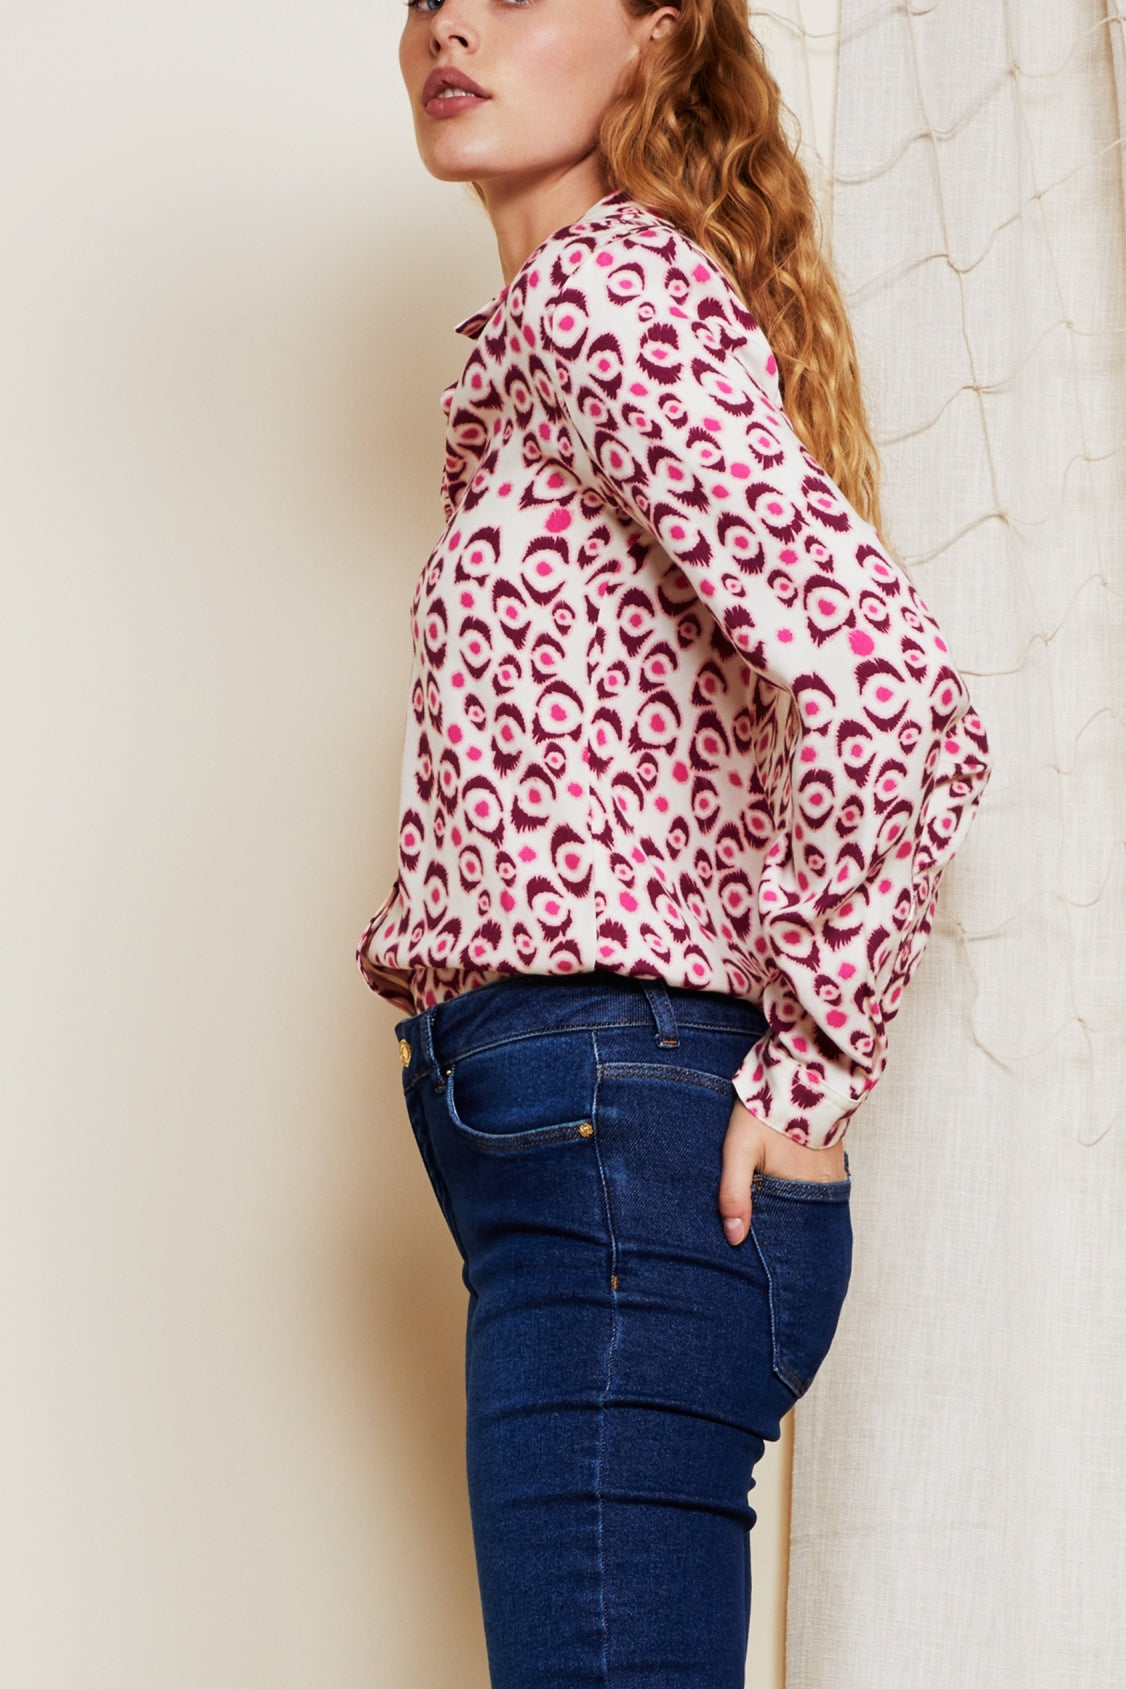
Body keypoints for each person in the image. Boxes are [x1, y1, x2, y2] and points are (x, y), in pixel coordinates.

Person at [357, 0, 993, 1683]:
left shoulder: (610, 297)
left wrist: (808, 1072)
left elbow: (898, 699)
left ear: (655, 37)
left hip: (622, 1148)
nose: (449, 23)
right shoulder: (545, 340)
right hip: (583, 1142)